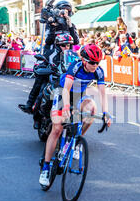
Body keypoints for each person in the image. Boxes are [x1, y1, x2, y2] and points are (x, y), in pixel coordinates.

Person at [39, 44, 111, 187]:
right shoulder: (76, 67)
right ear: (84, 60)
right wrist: (66, 106)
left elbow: (103, 93)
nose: (95, 65)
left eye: (98, 62)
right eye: (92, 62)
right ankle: (46, 168)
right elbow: (66, 89)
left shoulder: (99, 71)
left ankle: (76, 141)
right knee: (57, 128)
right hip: (62, 93)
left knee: (91, 110)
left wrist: (106, 113)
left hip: (79, 96)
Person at [18, 33, 73, 120]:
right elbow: (39, 65)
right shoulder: (50, 54)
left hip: (66, 80)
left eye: (68, 45)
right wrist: (46, 69)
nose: (66, 47)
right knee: (40, 87)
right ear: (58, 45)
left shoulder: (72, 56)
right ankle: (32, 110)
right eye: (63, 45)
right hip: (52, 79)